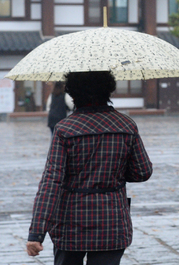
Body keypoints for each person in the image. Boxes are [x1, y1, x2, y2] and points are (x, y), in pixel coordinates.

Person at [26, 71, 153, 265]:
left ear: (73, 94)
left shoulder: (65, 129)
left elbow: (52, 182)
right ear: (109, 90)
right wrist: (115, 171)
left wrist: (36, 232)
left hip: (70, 224)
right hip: (112, 222)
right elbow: (142, 172)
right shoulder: (127, 125)